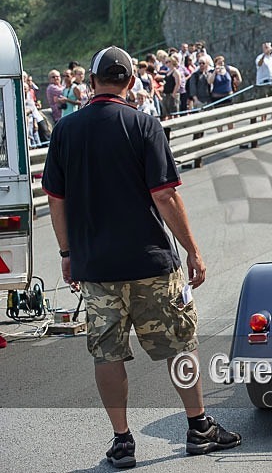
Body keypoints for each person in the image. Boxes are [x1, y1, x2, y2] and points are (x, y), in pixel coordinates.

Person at [41, 46, 241, 468]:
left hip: (96, 267)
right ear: (131, 83)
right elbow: (165, 196)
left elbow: (56, 200)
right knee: (180, 344)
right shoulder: (144, 125)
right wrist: (193, 251)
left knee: (107, 354)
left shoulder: (65, 131)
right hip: (151, 263)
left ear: (91, 83)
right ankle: (199, 427)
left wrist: (66, 253)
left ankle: (123, 441)